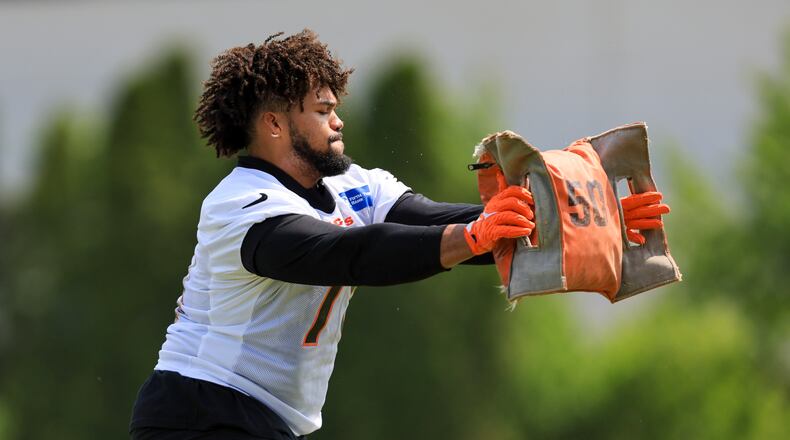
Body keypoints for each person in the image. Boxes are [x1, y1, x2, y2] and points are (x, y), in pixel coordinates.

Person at [129, 30, 668, 439]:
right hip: (198, 409)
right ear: (273, 125)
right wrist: (474, 236)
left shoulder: (353, 185)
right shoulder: (239, 204)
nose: (338, 121)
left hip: (263, 419)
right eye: (322, 110)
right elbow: (346, 253)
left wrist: (592, 220)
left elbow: (430, 221)